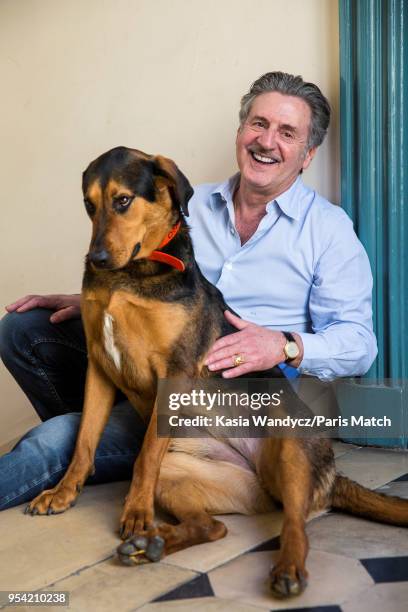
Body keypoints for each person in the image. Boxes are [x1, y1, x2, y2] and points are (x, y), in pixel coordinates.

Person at [0, 71, 377, 510]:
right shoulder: (183, 202)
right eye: (258, 124)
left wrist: (284, 346)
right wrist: (91, 304)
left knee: (51, 442)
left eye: (287, 132)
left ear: (307, 154)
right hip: (151, 379)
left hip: (231, 406)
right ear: (240, 132)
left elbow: (360, 344)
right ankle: (107, 436)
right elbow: (148, 281)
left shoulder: (328, 230)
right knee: (24, 329)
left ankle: (100, 447)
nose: (266, 141)